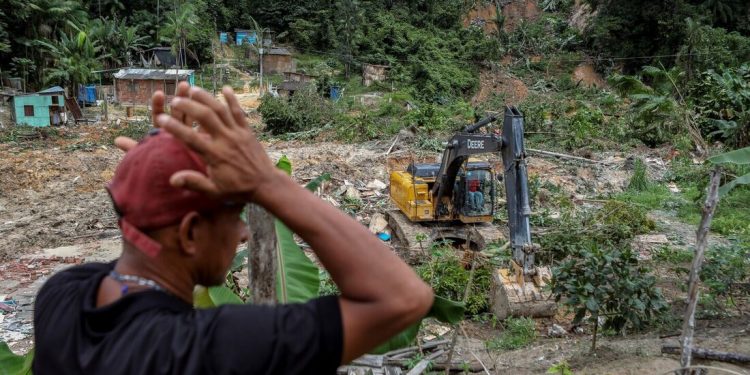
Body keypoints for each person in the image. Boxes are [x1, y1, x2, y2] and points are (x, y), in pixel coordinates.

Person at [32, 83, 434, 374]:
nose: (244, 232)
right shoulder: (215, 348)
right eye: (236, 213)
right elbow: (403, 298)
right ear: (189, 234)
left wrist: (154, 170)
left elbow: (139, 220)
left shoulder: (61, 298)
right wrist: (267, 182)